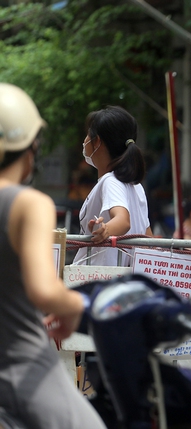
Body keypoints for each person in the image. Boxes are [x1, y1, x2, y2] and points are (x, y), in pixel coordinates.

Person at [0, 83, 106, 428]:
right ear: (32, 147)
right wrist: (74, 307)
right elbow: (44, 290)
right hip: (18, 367)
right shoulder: (28, 204)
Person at [73, 105, 152, 266]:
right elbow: (148, 239)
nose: (85, 140)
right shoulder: (135, 186)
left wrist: (106, 231)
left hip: (96, 282)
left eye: (88, 134)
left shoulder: (111, 182)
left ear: (97, 142)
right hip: (123, 282)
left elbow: (123, 220)